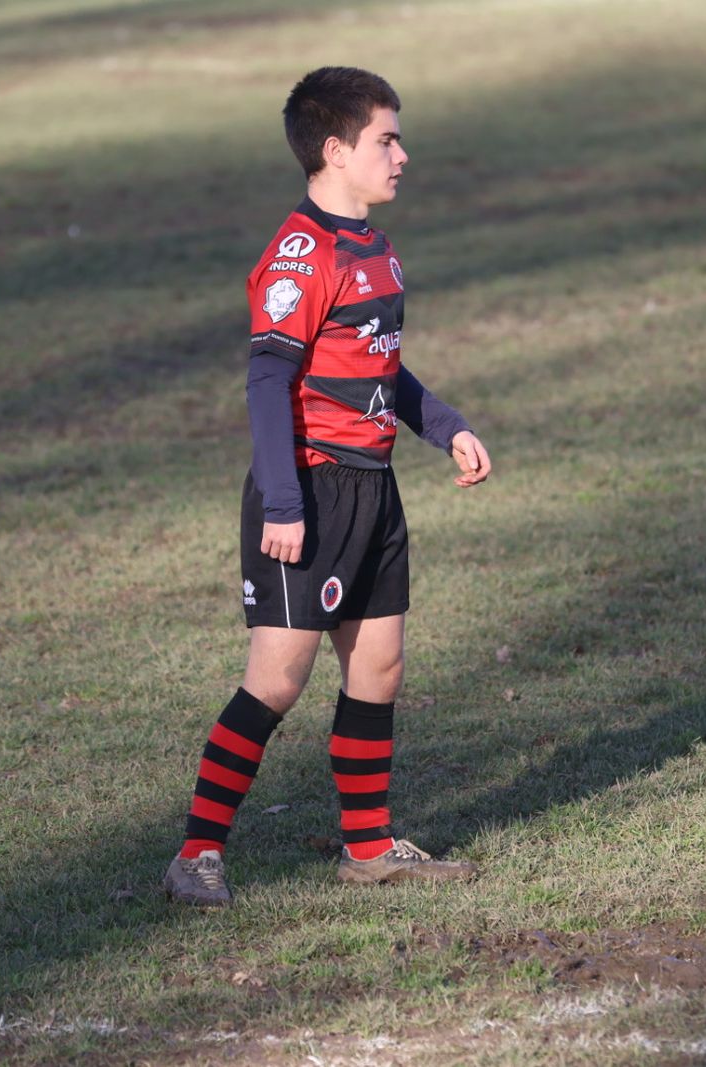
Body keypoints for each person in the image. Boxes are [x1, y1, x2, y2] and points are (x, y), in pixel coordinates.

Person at [162, 66, 493, 907]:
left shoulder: (374, 250)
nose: (403, 154)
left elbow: (381, 361)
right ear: (336, 151)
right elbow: (267, 381)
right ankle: (196, 852)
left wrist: (444, 423)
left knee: (378, 667)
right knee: (278, 678)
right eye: (387, 139)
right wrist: (282, 504)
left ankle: (370, 846)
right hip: (309, 490)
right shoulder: (299, 256)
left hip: (374, 486)